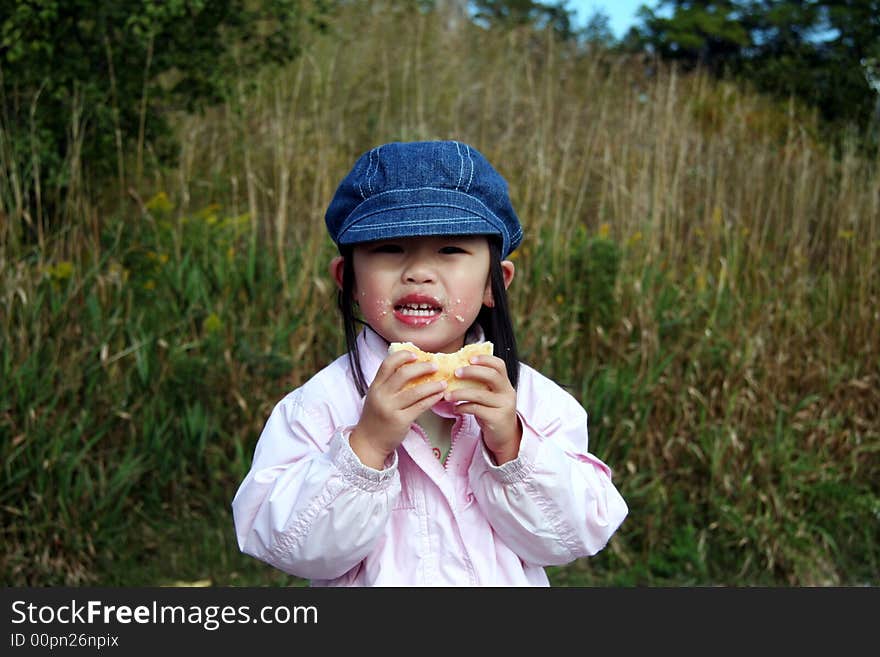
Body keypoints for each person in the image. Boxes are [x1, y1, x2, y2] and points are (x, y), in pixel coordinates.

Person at [232, 140, 628, 586]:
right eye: (389, 248)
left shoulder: (534, 401)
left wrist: (512, 445)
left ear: (494, 284)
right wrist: (366, 447)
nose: (418, 271)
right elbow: (284, 545)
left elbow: (574, 537)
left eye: (451, 250)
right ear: (348, 282)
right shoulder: (319, 405)